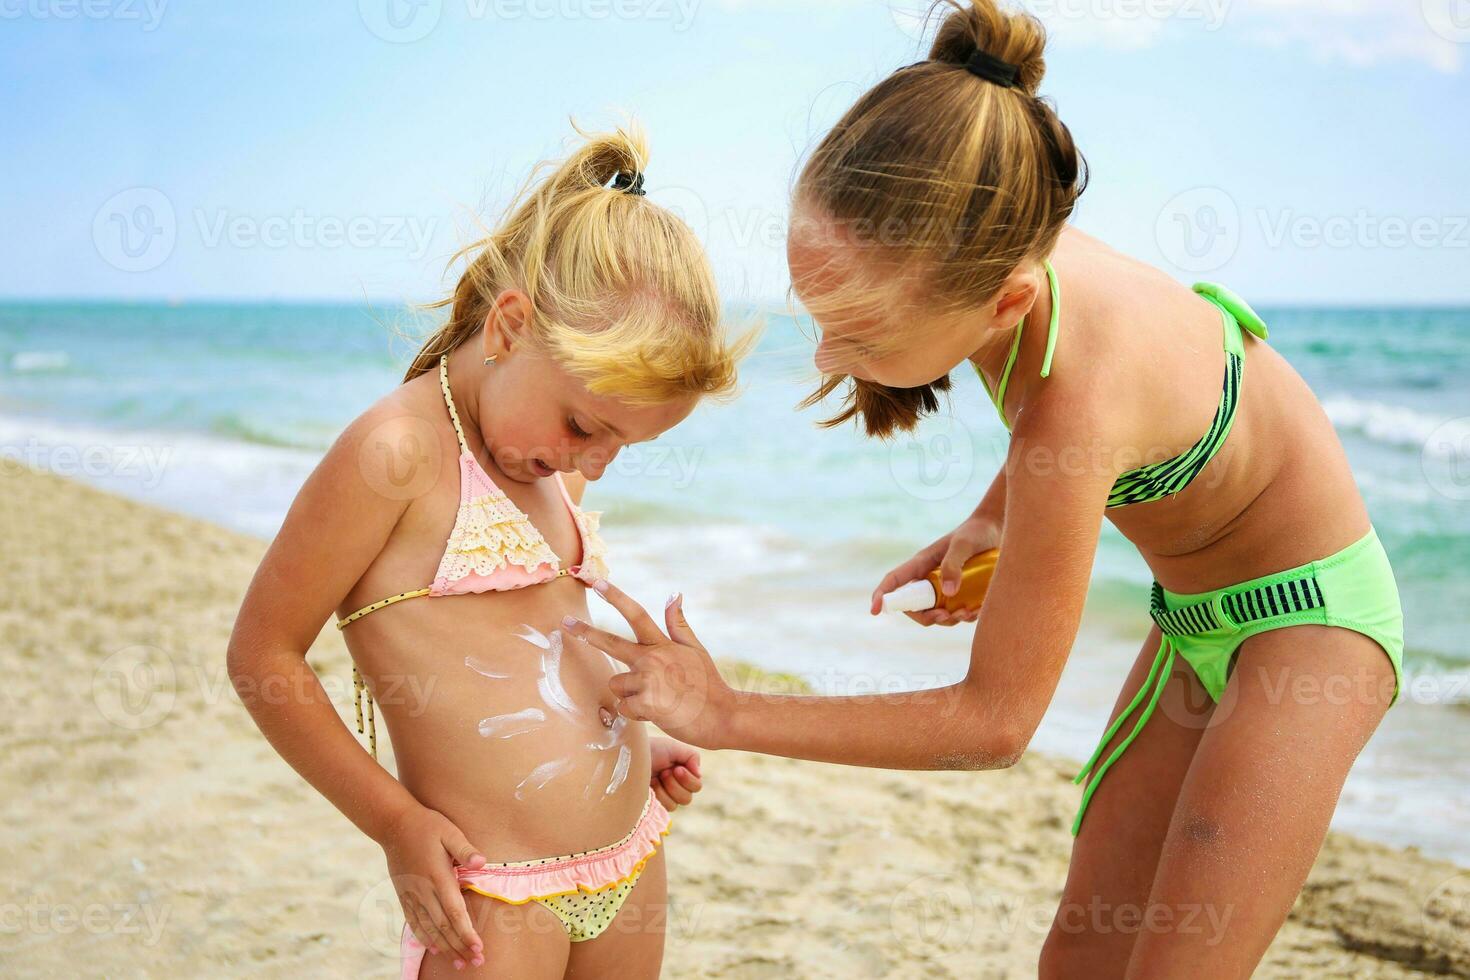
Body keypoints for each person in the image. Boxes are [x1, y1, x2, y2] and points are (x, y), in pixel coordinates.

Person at [562, 5, 1405, 976]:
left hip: (1314, 624)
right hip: (1194, 617)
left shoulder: (1079, 398)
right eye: (819, 313)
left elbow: (994, 725)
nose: (831, 355)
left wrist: (729, 711)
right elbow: (1088, 426)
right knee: (1079, 960)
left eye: (864, 334)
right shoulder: (1001, 254)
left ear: (1005, 299)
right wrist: (991, 513)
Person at [227, 123, 748, 978]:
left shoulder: (543, 460)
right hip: (494, 892)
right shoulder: (397, 453)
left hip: (629, 856)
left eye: (621, 447)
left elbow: (533, 648)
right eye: (586, 426)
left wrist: (633, 749)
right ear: (509, 326)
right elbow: (262, 653)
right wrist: (394, 821)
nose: (592, 462)